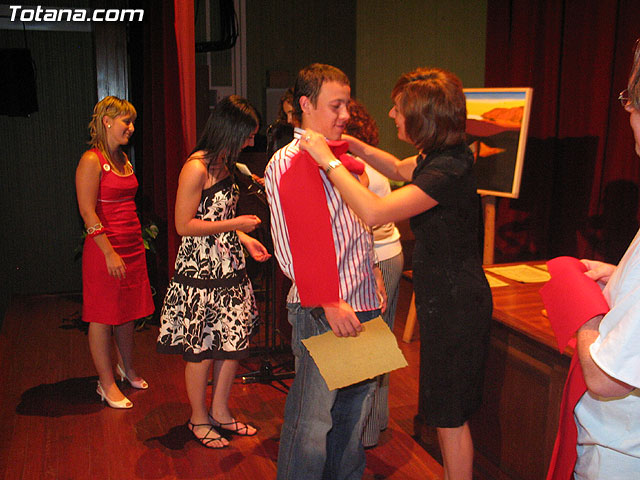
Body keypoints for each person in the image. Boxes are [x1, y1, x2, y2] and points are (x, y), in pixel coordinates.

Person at [301, 67, 493, 480]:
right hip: (445, 300)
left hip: (456, 306)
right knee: (446, 412)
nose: (391, 115)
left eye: (399, 109)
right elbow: (397, 167)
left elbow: (373, 211)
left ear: (423, 118)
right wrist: (354, 145)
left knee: (450, 416)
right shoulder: (442, 156)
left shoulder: (449, 170)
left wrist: (328, 160)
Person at [264, 63, 385, 480]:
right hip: (323, 309)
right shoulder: (288, 161)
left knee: (354, 414)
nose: (346, 114)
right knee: (312, 423)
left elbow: (355, 225)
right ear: (306, 104)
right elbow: (292, 246)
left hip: (361, 300)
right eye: (336, 106)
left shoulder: (341, 159)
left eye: (347, 105)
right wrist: (330, 302)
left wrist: (374, 272)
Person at [157, 96, 271, 449]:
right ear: (230, 130)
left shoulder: (227, 163)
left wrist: (244, 240)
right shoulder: (196, 168)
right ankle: (198, 418)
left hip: (228, 264)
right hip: (200, 270)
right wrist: (236, 225)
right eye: (247, 136)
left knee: (231, 341)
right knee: (202, 347)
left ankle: (220, 412)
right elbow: (183, 225)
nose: (250, 143)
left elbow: (216, 218)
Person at [569, 40, 640, 479]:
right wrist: (621, 278)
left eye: (630, 99)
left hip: (621, 454)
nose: (627, 113)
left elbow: (604, 378)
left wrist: (586, 311)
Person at [75, 96, 155, 409]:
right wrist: (109, 252)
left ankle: (126, 368)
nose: (131, 128)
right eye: (126, 121)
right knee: (102, 316)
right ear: (107, 122)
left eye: (132, 122)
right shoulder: (92, 160)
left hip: (131, 245)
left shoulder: (123, 158)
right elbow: (87, 211)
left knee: (127, 311)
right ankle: (106, 383)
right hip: (104, 248)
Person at [345, 98, 404, 448]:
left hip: (378, 259)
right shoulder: (371, 165)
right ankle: (376, 421)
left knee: (370, 345)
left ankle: (365, 432)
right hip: (390, 253)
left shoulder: (360, 171)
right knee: (381, 342)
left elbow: (361, 224)